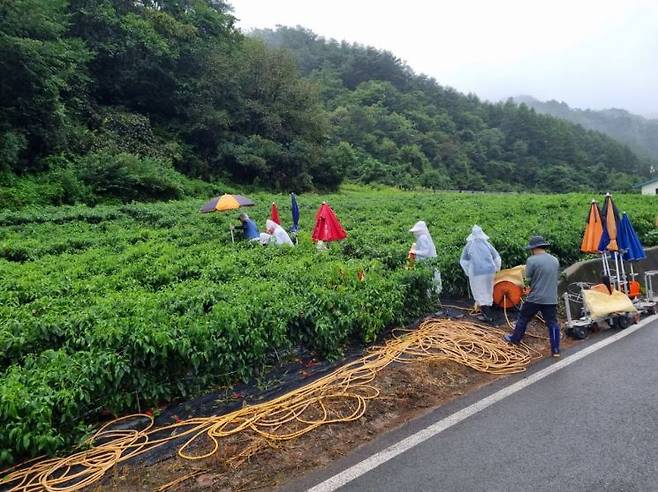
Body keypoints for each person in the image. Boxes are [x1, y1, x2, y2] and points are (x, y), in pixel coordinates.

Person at [504, 235, 561, 357]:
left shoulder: (532, 260)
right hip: (551, 298)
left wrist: (527, 288)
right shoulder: (554, 260)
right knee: (552, 323)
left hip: (535, 297)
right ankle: (556, 350)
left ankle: (515, 340)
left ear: (533, 248)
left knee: (523, 318)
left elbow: (528, 279)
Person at [460, 225, 501, 322]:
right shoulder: (487, 244)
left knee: (479, 292)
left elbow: (463, 261)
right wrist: (496, 269)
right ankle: (487, 312)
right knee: (487, 291)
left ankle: (487, 316)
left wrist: (468, 272)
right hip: (489, 271)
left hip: (477, 273)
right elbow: (497, 258)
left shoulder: (469, 246)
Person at [409, 221, 442, 295]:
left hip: (427, 263)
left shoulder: (423, 238)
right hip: (427, 262)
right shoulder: (422, 237)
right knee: (430, 279)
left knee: (429, 280)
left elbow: (425, 252)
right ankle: (430, 295)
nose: (414, 233)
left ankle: (430, 296)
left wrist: (414, 252)